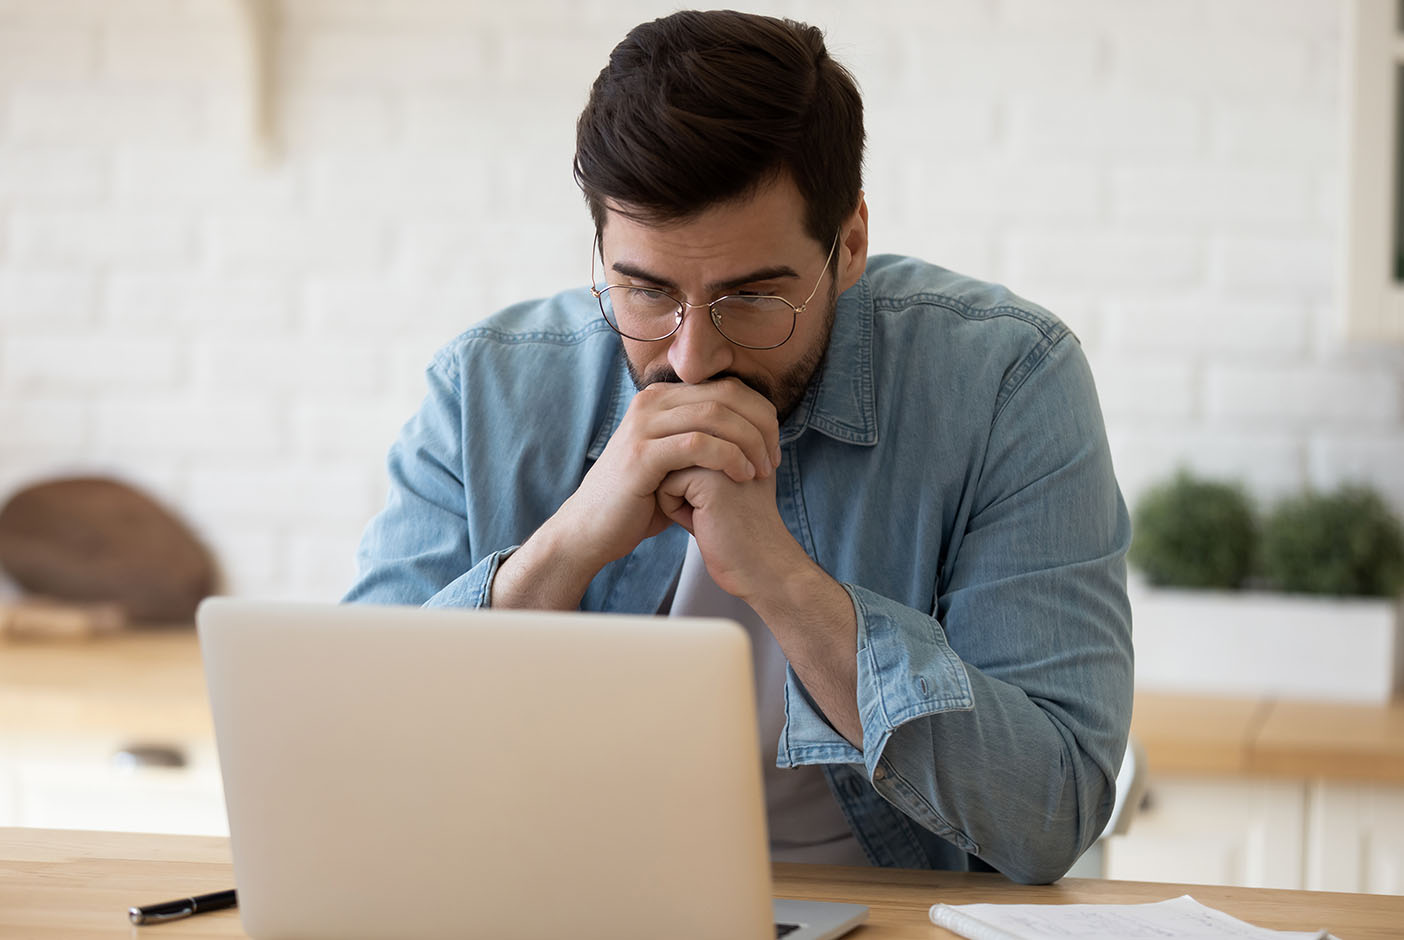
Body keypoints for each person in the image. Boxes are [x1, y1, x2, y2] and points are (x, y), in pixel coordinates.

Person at [345, 9, 1133, 884]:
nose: (694, 355)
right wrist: (562, 551)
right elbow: (349, 759)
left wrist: (782, 580)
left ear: (852, 243)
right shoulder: (484, 390)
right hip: (554, 902)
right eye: (644, 292)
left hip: (883, 914)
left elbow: (1053, 810)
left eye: (752, 298)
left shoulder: (1007, 381)